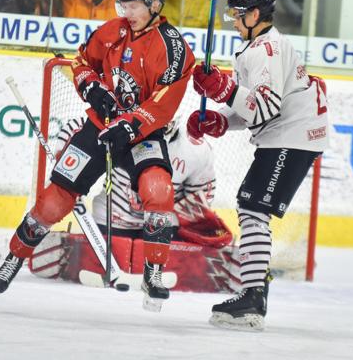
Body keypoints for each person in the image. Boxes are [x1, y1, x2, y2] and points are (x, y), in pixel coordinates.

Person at [0, 0, 195, 311]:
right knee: (54, 201)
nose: (125, 12)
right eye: (122, 4)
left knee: (158, 190)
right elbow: (83, 61)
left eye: (133, 5)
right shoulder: (112, 31)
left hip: (143, 133)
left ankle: (154, 270)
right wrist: (91, 87)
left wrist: (129, 126)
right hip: (100, 127)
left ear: (155, 4)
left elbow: (163, 103)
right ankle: (14, 257)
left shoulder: (173, 47)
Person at [188, 0, 329, 331]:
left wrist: (223, 88)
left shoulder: (267, 50)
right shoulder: (255, 48)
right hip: (285, 134)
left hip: (292, 135)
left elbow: (265, 106)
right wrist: (219, 120)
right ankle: (252, 294)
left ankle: (253, 297)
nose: (233, 22)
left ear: (254, 15)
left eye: (237, 16)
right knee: (251, 207)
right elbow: (253, 108)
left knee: (253, 208)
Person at [27, 113, 239, 292]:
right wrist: (66, 169)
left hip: (161, 228)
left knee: (164, 243)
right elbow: (76, 126)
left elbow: (202, 194)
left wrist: (183, 218)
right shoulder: (119, 128)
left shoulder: (195, 149)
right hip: (112, 220)